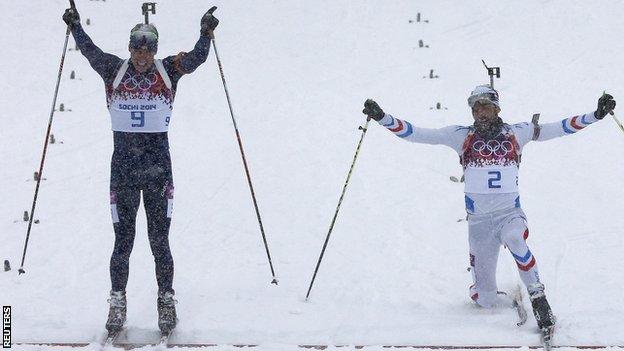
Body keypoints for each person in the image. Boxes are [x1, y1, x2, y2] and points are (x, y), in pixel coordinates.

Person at [362, 86, 616, 332]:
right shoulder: (460, 135)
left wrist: (595, 115)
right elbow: (416, 134)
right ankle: (482, 288)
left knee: (516, 239)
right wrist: (383, 118)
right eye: (475, 108)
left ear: (496, 108)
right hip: (480, 223)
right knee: (485, 300)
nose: (480, 112)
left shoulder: (517, 132)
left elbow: (557, 128)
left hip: (509, 215)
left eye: (485, 106)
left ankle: (538, 297)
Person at [62, 5, 219, 334]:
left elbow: (196, 59)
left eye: (148, 48)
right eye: (137, 47)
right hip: (123, 172)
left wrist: (205, 33)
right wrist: (75, 26)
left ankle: (165, 300)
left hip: (159, 171)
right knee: (123, 241)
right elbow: (89, 50)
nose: (142, 55)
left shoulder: (168, 71)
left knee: (159, 240)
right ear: (130, 47)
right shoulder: (113, 70)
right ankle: (117, 301)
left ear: (155, 50)